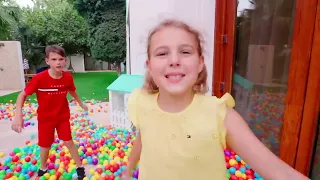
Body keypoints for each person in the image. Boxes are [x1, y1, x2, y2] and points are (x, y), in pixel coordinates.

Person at [122, 20, 310, 180]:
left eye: (185, 52)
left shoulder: (219, 115)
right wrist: (128, 170)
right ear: (149, 65)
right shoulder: (142, 102)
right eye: (162, 53)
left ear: (200, 63)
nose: (174, 60)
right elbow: (144, 136)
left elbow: (279, 172)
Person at [11, 45, 88, 179]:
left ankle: (80, 167)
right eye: (54, 59)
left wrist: (81, 103)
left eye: (61, 59)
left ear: (65, 60)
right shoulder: (39, 78)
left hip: (62, 116)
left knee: (69, 141)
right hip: (45, 118)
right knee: (45, 145)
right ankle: (43, 168)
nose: (58, 62)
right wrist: (18, 116)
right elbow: (21, 95)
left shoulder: (68, 77)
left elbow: (72, 90)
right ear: (47, 61)